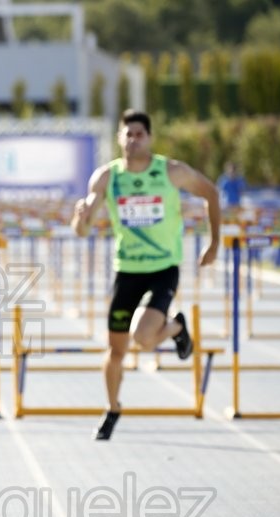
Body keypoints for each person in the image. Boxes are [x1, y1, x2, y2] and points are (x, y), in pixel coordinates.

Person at [71, 109, 221, 441]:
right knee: (116, 352)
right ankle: (112, 409)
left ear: (150, 138)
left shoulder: (171, 171)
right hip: (127, 270)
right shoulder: (106, 178)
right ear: (119, 139)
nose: (134, 140)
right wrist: (80, 218)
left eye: (140, 134)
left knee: (144, 337)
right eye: (129, 134)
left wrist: (214, 243)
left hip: (163, 268)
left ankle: (175, 326)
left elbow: (211, 192)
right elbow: (82, 230)